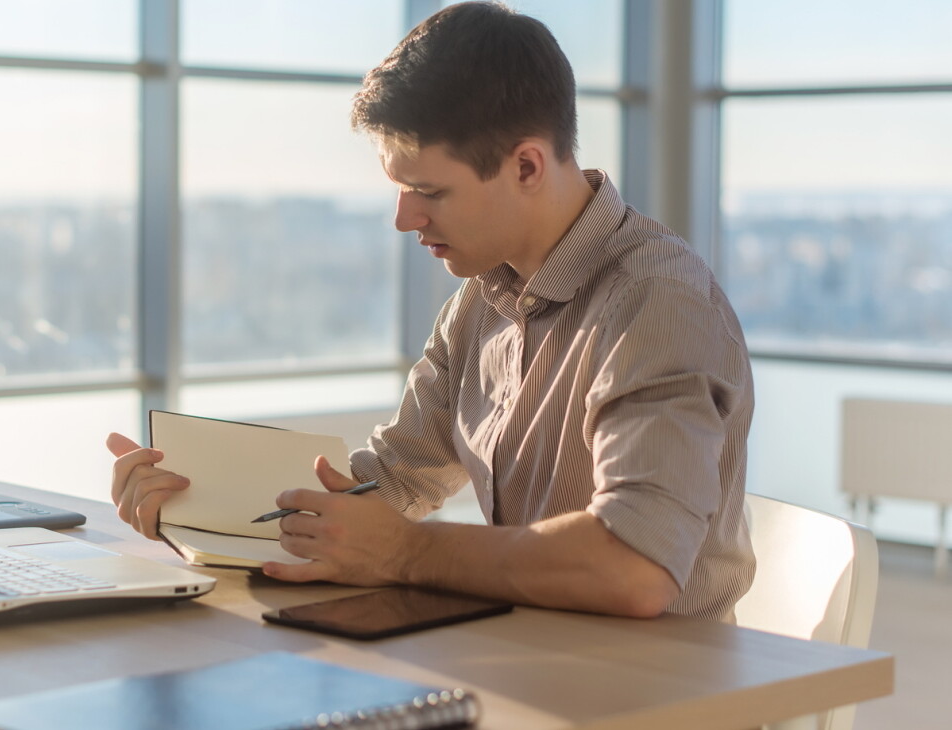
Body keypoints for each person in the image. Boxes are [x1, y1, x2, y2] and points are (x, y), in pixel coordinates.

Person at [107, 1, 754, 621]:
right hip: (526, 658)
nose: (403, 219)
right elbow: (386, 486)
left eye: (427, 191)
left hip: (662, 692)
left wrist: (406, 553)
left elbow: (633, 567)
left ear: (526, 165)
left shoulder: (659, 302)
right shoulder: (482, 303)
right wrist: (198, 502)